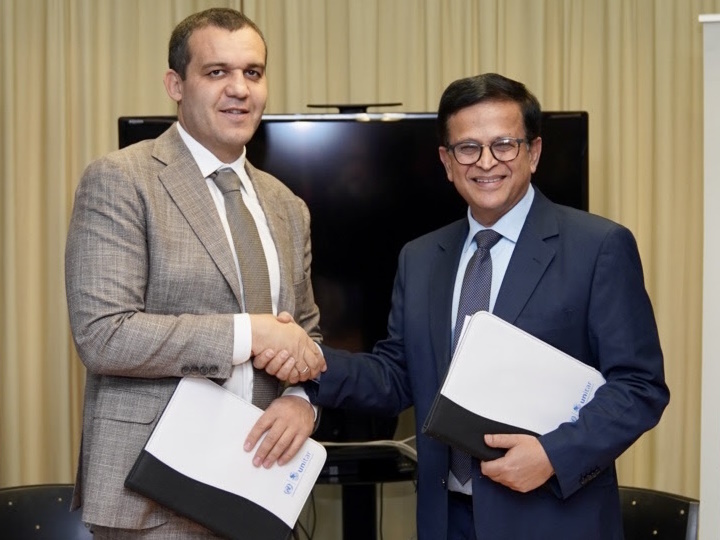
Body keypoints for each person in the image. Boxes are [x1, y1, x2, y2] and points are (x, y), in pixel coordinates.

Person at [282, 73, 670, 539]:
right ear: (447, 162)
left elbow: (639, 386)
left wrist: (553, 455)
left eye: (504, 145)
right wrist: (310, 359)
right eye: (468, 148)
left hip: (552, 517)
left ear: (534, 153)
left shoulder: (598, 247)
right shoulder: (421, 258)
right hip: (446, 519)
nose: (486, 162)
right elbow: (397, 375)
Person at [64, 8, 325, 538]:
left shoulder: (287, 205)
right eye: (216, 72)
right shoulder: (121, 179)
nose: (239, 89)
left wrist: (301, 402)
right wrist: (251, 333)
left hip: (259, 488)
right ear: (175, 85)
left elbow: (305, 336)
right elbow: (103, 334)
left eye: (253, 72)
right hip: (153, 496)